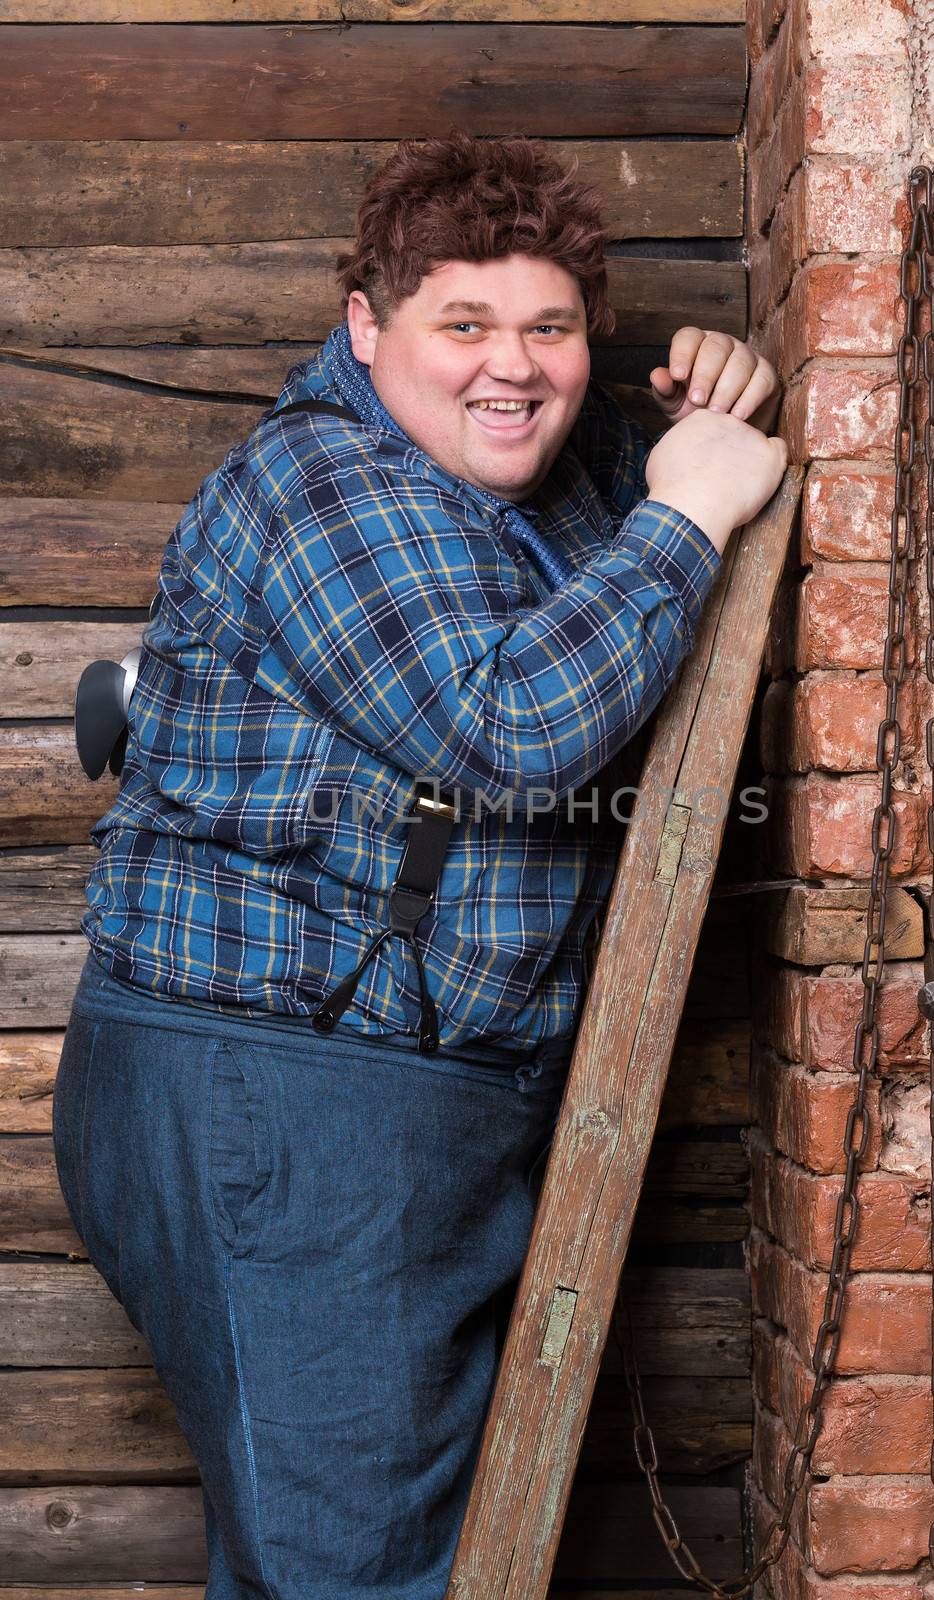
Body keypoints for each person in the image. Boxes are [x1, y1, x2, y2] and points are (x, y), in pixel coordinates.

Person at [51, 131, 787, 1599]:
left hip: (374, 1096)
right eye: (464, 323)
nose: (511, 366)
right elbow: (513, 726)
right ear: (366, 329)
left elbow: (588, 536)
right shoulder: (324, 482)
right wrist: (693, 508)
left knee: (354, 1565)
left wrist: (704, 402)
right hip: (288, 1096)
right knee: (354, 1578)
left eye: (551, 328)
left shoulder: (520, 487)